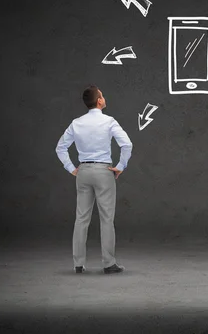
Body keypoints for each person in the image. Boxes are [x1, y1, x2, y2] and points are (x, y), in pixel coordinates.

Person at [55, 85, 133, 274]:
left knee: (81, 218)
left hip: (83, 171)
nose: (104, 97)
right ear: (99, 100)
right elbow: (127, 144)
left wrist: (72, 168)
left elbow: (60, 148)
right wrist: (120, 166)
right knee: (106, 218)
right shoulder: (109, 121)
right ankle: (108, 263)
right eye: (102, 95)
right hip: (104, 171)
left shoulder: (76, 123)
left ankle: (78, 264)